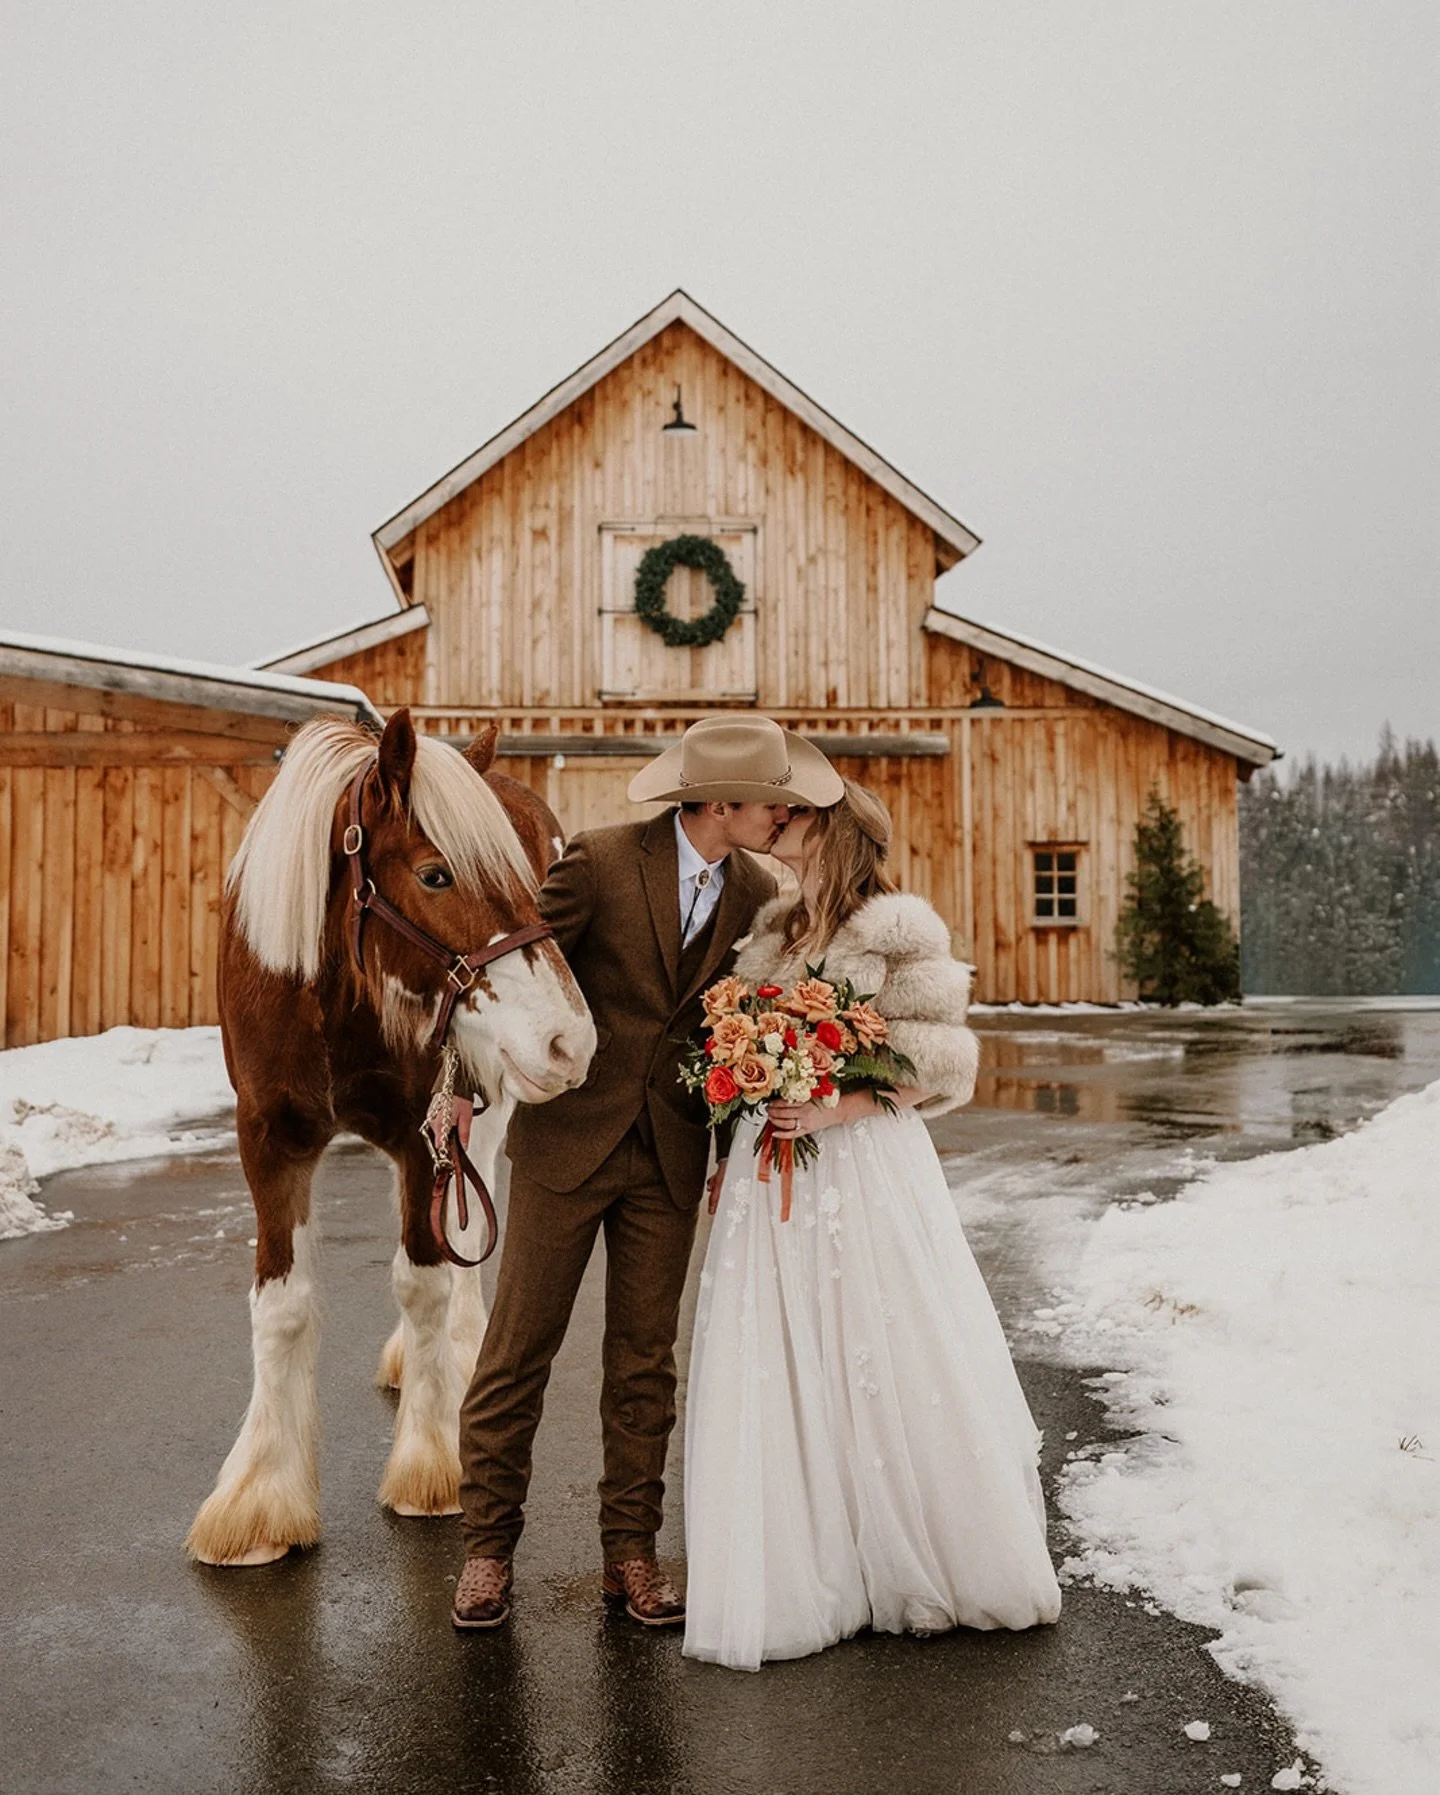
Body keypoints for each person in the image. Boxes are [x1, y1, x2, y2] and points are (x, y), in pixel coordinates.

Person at [452, 714, 844, 1630]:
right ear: (717, 801)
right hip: (565, 1145)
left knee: (644, 1365)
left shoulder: (756, 891)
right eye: (769, 802)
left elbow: (727, 1028)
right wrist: (465, 1082)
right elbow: (512, 978)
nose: (778, 818)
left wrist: (724, 1154)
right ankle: (485, 1552)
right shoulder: (596, 859)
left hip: (668, 1155)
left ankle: (630, 1554)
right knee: (518, 1354)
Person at [682, 781, 1062, 1670]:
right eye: (777, 811)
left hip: (859, 1164)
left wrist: (834, 1107)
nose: (777, 820)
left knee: (882, 1346)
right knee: (783, 1351)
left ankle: (920, 1553)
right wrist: (742, 1114)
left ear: (840, 831)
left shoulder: (900, 930)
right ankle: (813, 1561)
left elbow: (936, 1069)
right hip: (767, 1167)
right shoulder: (770, 931)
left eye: (797, 813)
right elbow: (739, 1044)